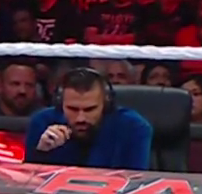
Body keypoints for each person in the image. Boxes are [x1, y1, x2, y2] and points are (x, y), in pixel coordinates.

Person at [23, 68, 154, 170]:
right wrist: (41, 153)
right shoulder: (41, 123)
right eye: (73, 109)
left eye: (90, 109)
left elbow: (135, 183)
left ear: (106, 104)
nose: (81, 118)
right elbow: (27, 184)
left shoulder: (134, 128)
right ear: (60, 104)